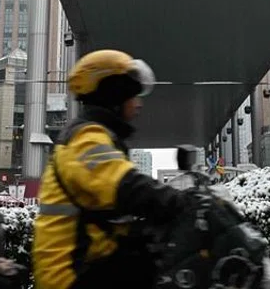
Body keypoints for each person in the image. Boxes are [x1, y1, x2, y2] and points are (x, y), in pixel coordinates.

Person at [32, 50, 190, 289]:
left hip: (91, 262)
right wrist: (179, 201)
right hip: (69, 277)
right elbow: (124, 185)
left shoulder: (99, 135)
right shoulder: (85, 138)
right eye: (133, 95)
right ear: (115, 95)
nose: (139, 103)